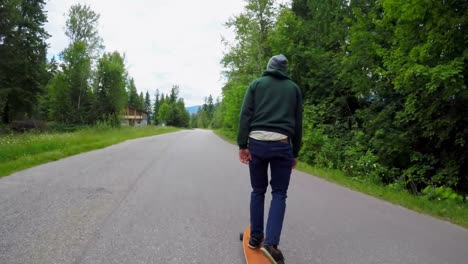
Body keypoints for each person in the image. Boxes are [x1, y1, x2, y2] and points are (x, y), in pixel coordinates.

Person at [237, 54, 303, 264]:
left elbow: (245, 115)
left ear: (268, 67)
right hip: (282, 144)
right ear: (284, 70)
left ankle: (255, 238)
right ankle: (271, 244)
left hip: (256, 143)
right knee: (279, 193)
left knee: (258, 190)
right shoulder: (293, 89)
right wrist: (295, 153)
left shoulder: (257, 84)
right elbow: (298, 123)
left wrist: (242, 145)